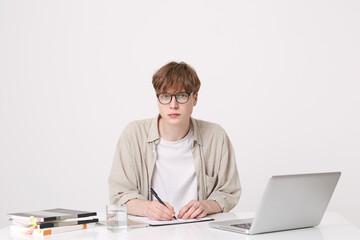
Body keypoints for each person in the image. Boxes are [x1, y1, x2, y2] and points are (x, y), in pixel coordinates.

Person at [108, 61, 241, 221]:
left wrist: (206, 205)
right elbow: (119, 194)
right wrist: (147, 208)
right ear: (157, 99)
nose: (173, 105)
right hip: (148, 233)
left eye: (181, 96)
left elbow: (229, 192)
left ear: (195, 98)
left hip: (201, 232)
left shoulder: (216, 136)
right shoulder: (133, 134)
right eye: (165, 96)